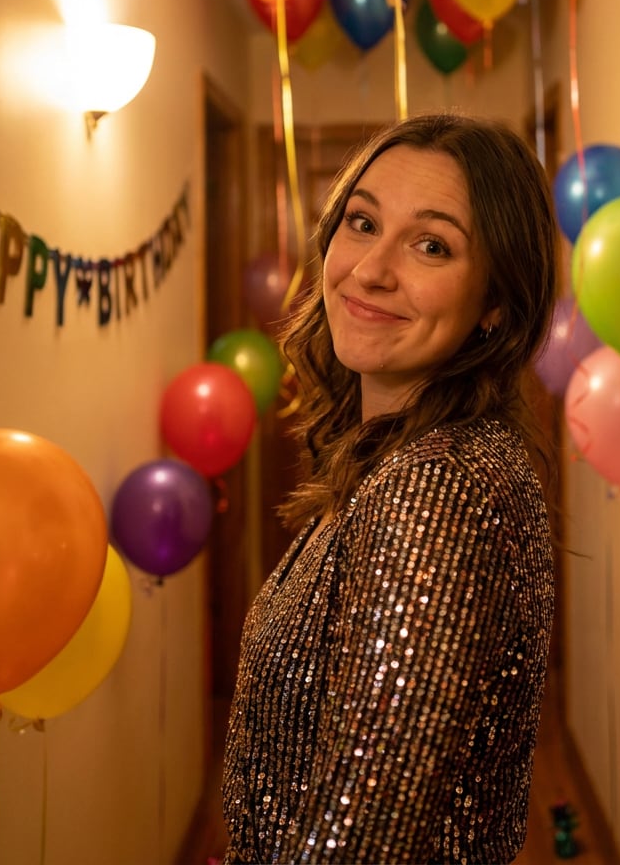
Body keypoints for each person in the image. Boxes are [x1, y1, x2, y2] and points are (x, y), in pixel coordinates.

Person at [222, 112, 559, 864]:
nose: (371, 269)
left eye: (431, 244)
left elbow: (361, 843)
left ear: (495, 302)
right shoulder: (428, 459)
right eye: (362, 222)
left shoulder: (434, 493)